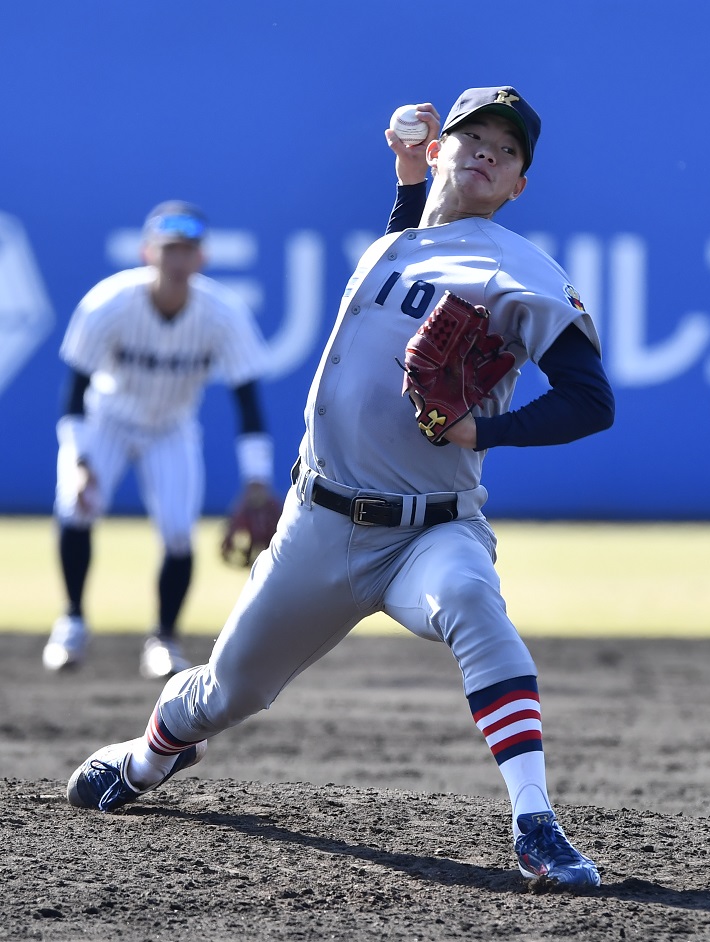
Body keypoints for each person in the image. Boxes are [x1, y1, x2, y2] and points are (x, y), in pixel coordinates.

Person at [65, 88, 614, 888]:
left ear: (519, 185)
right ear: (440, 154)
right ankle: (150, 757)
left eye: (507, 149)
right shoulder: (395, 241)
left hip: (430, 529)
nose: (487, 153)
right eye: (474, 138)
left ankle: (535, 821)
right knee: (224, 692)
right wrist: (402, 169)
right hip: (317, 525)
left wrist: (483, 430)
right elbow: (412, 233)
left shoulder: (523, 271)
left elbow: (591, 401)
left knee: (470, 597)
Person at [44, 201, 277, 680]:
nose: (177, 259)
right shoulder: (107, 303)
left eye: (187, 249)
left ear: (201, 259)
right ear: (148, 253)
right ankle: (71, 622)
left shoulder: (222, 314)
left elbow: (247, 400)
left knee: (176, 530)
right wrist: (81, 457)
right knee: (76, 505)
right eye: (169, 249)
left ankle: (164, 638)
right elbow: (73, 395)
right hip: (108, 418)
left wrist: (257, 477)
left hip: (172, 426)